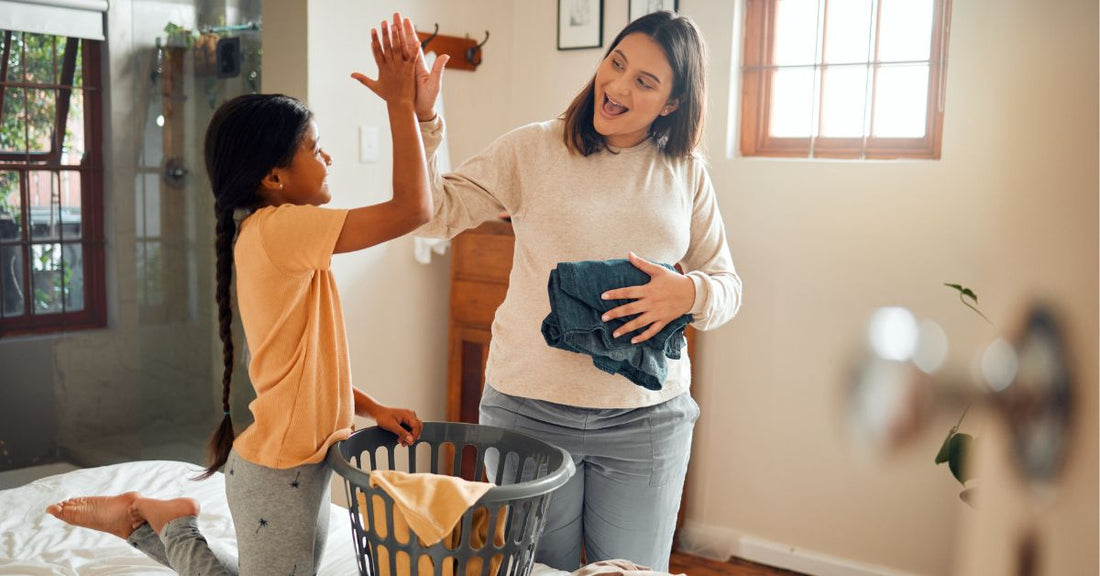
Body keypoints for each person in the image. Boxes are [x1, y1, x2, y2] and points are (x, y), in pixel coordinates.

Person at [45, 13, 437, 575]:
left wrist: (369, 406)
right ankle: (165, 521)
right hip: (279, 474)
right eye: (315, 148)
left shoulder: (279, 233)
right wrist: (401, 104)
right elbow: (413, 210)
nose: (329, 158)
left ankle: (154, 519)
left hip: (298, 467)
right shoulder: (281, 229)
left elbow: (307, 364)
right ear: (274, 177)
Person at [408, 10, 741, 573]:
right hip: (528, 415)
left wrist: (688, 294)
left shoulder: (684, 171)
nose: (617, 86)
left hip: (646, 422)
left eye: (645, 81)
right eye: (616, 63)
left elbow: (726, 284)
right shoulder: (533, 149)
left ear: (672, 104)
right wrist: (423, 118)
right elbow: (432, 215)